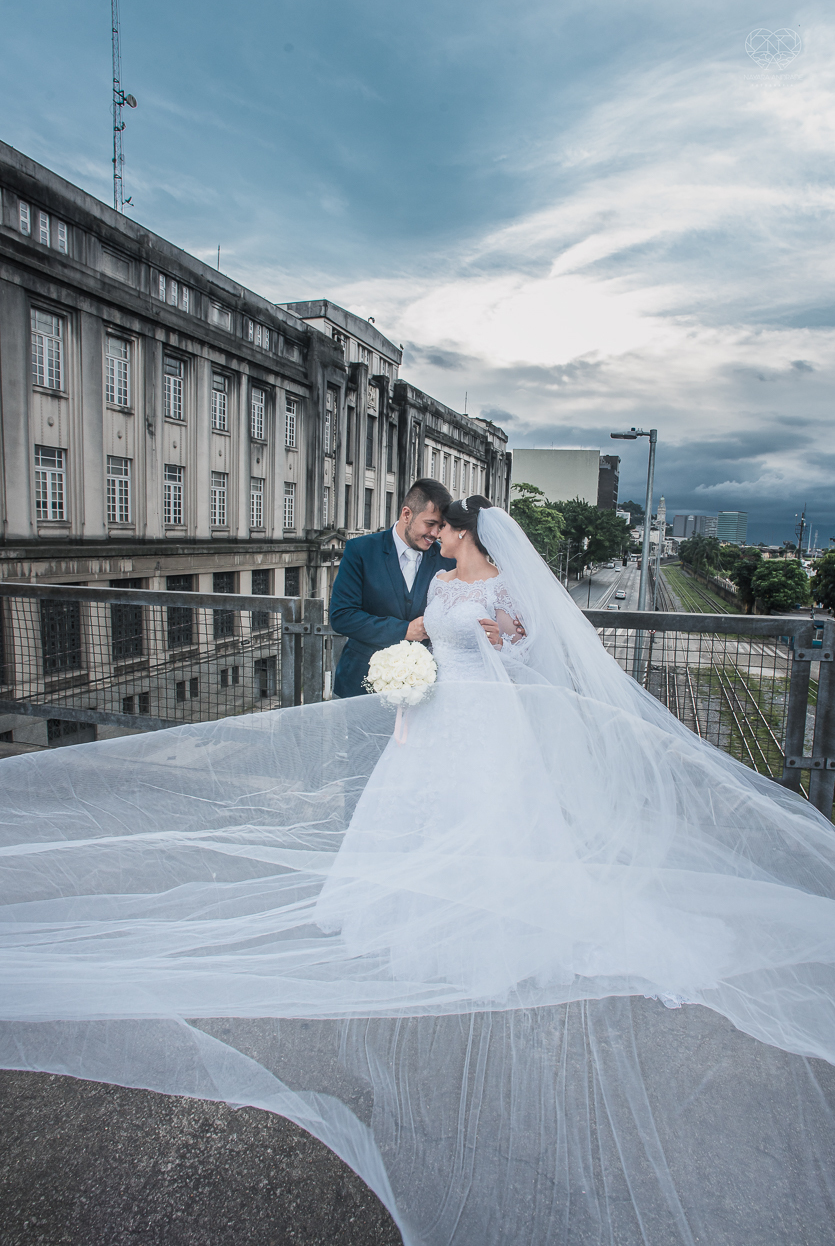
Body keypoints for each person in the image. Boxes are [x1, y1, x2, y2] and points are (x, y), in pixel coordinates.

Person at [1, 497, 835, 1246]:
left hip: (488, 727)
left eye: (446, 532)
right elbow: (422, 633)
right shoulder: (439, 584)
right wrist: (408, 689)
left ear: (467, 532)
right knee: (414, 822)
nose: (437, 542)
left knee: (486, 824)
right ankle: (407, 912)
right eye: (432, 531)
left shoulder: (502, 584)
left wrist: (509, 644)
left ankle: (485, 923)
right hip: (434, 719)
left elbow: (526, 653)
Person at [329, 477, 456, 698]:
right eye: (430, 524)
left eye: (441, 526)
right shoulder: (360, 550)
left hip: (426, 688)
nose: (435, 534)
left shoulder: (448, 561)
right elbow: (342, 616)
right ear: (407, 514)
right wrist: (403, 631)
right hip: (360, 684)